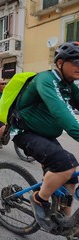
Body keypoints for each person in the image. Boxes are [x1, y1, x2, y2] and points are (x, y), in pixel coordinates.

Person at [12, 41, 79, 231]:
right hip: (25, 132)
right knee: (66, 164)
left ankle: (67, 226)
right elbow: (61, 113)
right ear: (60, 63)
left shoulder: (70, 86)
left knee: (72, 176)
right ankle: (39, 199)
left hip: (46, 135)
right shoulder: (46, 79)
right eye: (75, 61)